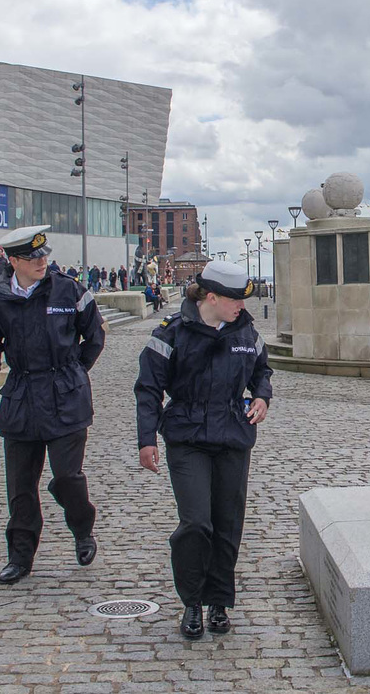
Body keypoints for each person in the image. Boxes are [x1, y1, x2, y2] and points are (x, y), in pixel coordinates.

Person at [134, 260, 272, 639]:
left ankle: (218, 602)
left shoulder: (246, 331)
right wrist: (147, 439)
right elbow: (148, 388)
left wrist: (261, 397)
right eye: (235, 300)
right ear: (211, 297)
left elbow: (263, 372)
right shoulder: (173, 332)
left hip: (232, 435)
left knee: (227, 524)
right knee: (196, 522)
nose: (242, 307)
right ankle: (192, 600)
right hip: (188, 436)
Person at [0, 225, 105, 585]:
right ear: (12, 261)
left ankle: (82, 528)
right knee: (20, 487)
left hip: (66, 398)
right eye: (32, 258)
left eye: (44, 255)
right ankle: (20, 556)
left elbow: (94, 336)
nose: (42, 262)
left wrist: (74, 371)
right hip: (22, 398)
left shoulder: (68, 289)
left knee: (67, 476)